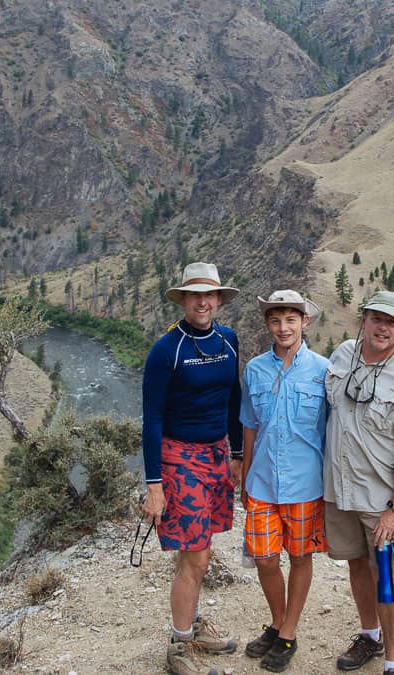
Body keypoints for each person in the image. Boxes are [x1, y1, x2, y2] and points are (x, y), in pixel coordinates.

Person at [141, 262, 243, 675]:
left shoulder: (229, 340)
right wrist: (154, 484)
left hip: (217, 454)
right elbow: (152, 418)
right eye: (195, 295)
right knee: (195, 557)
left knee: (203, 547)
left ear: (219, 300)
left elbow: (233, 399)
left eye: (210, 295)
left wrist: (236, 454)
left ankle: (192, 625)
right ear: (183, 299)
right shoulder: (167, 350)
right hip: (179, 458)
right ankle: (179, 645)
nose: (203, 302)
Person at [323, 290, 394, 675]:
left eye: (392, 322)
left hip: (381, 500)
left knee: (388, 576)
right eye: (377, 318)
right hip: (339, 492)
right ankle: (370, 635)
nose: (383, 328)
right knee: (355, 565)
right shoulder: (342, 355)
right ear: (364, 319)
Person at [239, 290, 331, 673]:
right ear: (267, 324)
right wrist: (243, 476)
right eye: (276, 320)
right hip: (261, 481)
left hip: (306, 483)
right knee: (263, 557)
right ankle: (277, 621)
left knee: (300, 556)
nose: (283, 327)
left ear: (304, 322)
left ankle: (288, 630)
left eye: (291, 319)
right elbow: (249, 426)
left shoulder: (324, 370)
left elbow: (332, 431)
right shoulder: (255, 370)